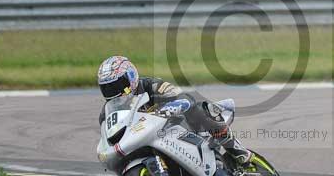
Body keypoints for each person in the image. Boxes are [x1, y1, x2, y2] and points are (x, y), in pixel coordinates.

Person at [97, 55, 252, 163]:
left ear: (131, 77)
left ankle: (236, 149)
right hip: (146, 142)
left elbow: (183, 98)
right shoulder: (106, 114)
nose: (113, 92)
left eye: (116, 85)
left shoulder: (150, 85)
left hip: (179, 127)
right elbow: (108, 139)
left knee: (199, 108)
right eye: (107, 88)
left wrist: (162, 111)